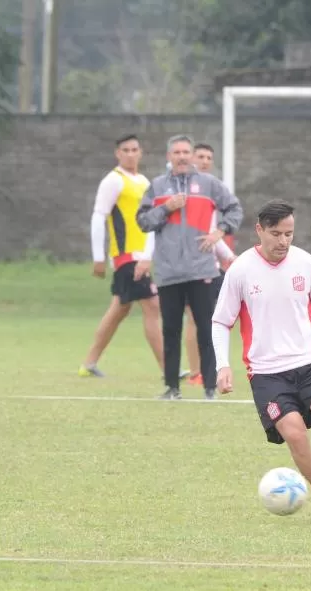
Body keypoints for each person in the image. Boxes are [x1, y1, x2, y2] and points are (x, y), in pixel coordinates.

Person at [211, 199, 311, 525]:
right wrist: (222, 365)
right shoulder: (241, 269)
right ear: (260, 230)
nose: (283, 242)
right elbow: (221, 321)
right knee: (294, 434)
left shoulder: (307, 263)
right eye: (276, 234)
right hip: (266, 372)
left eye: (289, 234)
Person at [137, 134, 243, 400]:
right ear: (168, 157)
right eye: (177, 152)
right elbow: (143, 221)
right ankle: (172, 388)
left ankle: (210, 387)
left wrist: (219, 231)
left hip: (202, 270)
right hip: (169, 272)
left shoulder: (209, 184)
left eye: (186, 152)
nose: (182, 157)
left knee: (207, 329)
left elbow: (234, 209)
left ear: (192, 155)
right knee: (170, 329)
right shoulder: (157, 187)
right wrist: (166, 209)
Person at [79, 134, 163, 378]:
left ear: (141, 152)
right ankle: (168, 369)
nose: (130, 153)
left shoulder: (144, 181)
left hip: (141, 255)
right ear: (117, 153)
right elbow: (98, 216)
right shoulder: (113, 181)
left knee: (120, 308)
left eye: (134, 149)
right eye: (125, 149)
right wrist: (98, 257)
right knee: (152, 304)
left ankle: (89, 363)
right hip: (126, 256)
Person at [184, 142, 235, 386]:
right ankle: (196, 372)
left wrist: (227, 256)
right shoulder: (184, 190)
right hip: (189, 265)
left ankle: (209, 367)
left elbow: (212, 232)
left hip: (211, 264)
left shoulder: (211, 190)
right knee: (195, 317)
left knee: (214, 317)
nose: (205, 161)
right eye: (200, 156)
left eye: (208, 157)